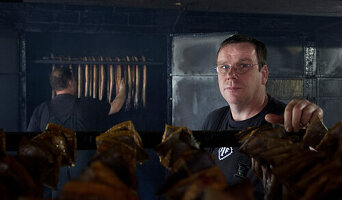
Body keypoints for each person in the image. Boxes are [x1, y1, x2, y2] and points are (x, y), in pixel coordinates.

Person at [202, 34, 323, 199]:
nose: (231, 74)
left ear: (264, 74)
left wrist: (319, 142)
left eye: (243, 65)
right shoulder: (214, 120)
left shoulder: (289, 123)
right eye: (224, 67)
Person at [27, 66, 126, 132]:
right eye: (75, 80)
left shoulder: (41, 110)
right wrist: (122, 89)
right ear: (70, 83)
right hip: (82, 163)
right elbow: (116, 106)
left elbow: (29, 142)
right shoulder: (86, 104)